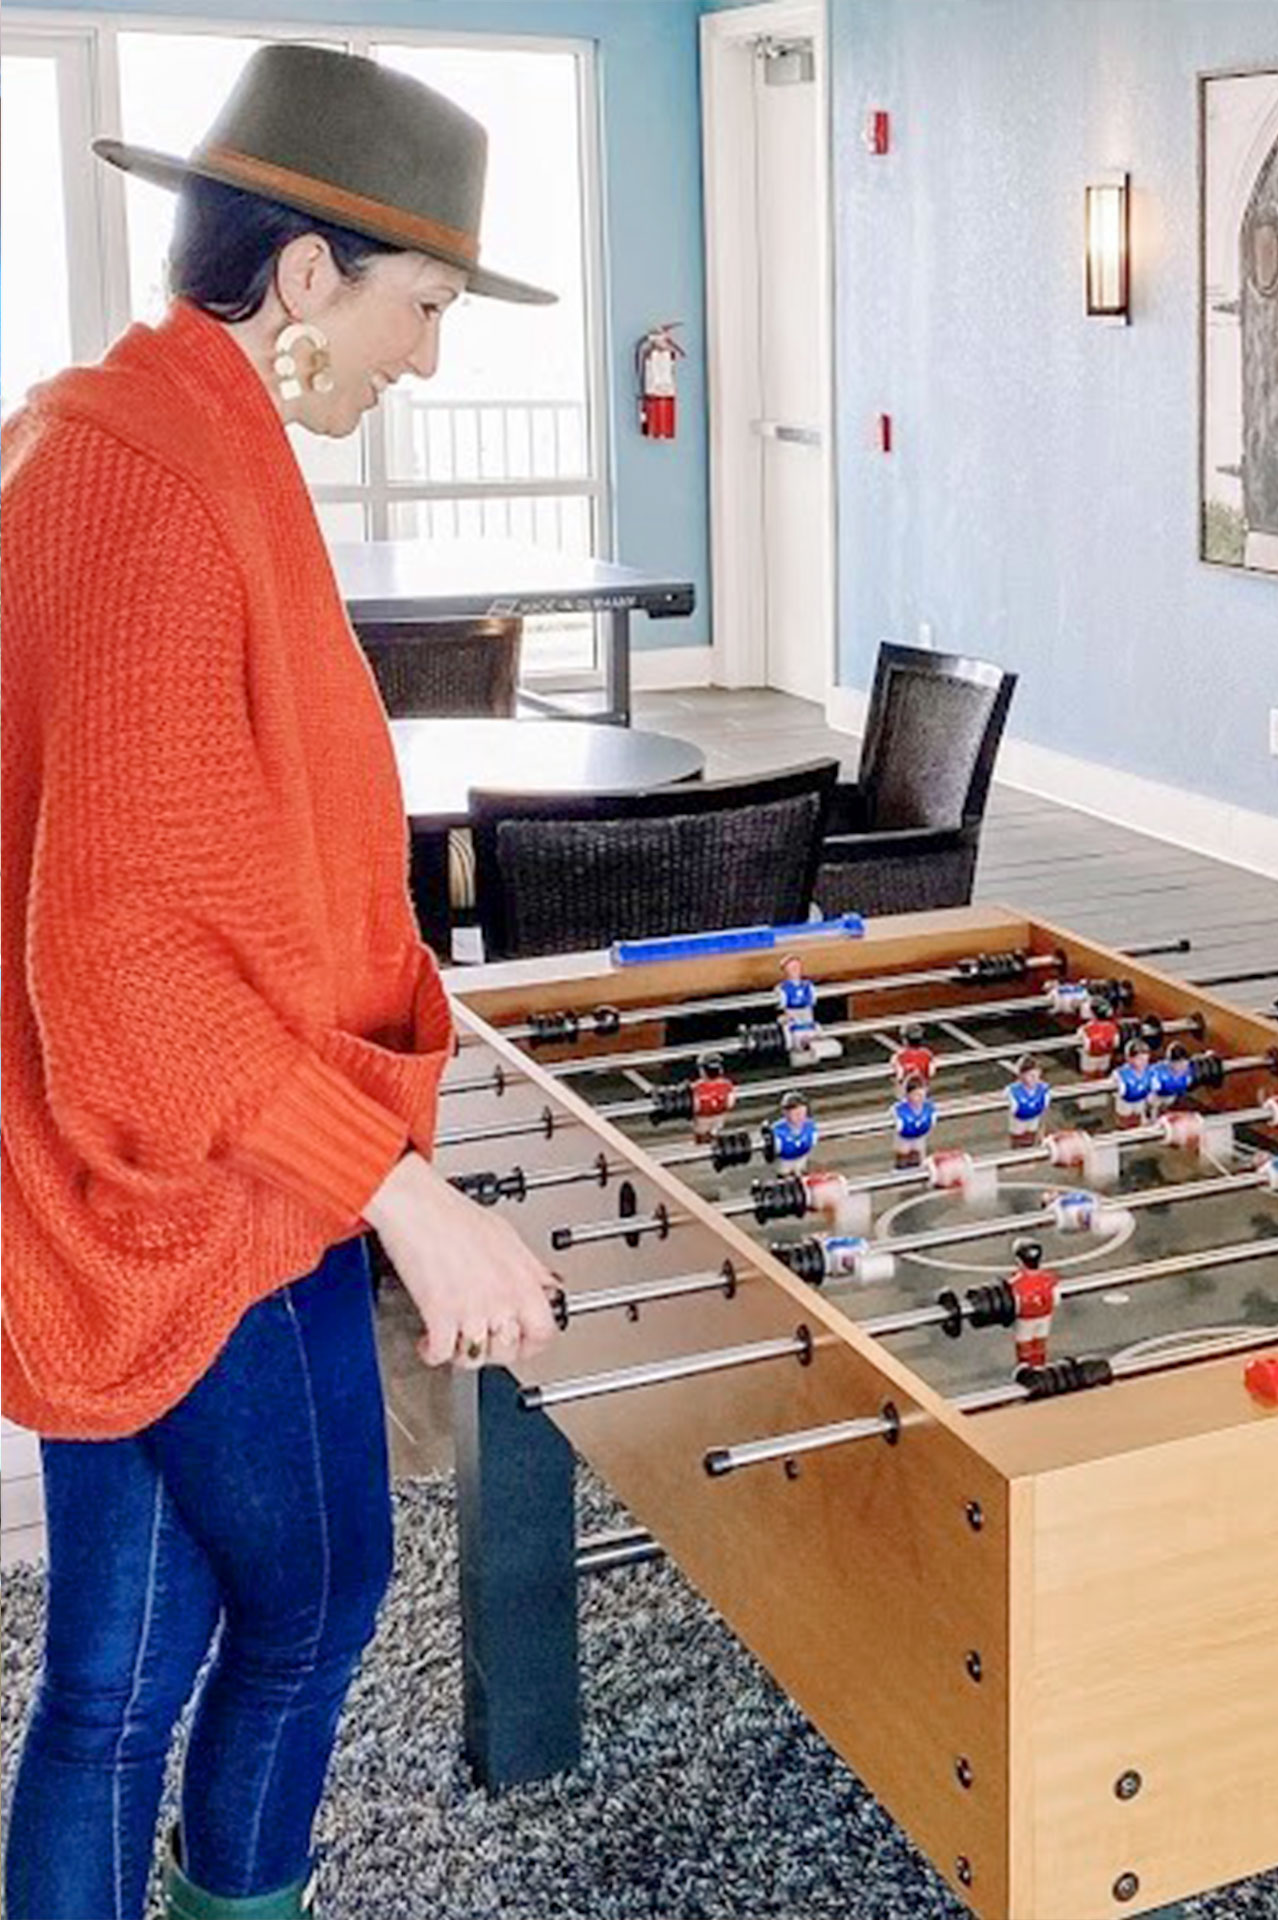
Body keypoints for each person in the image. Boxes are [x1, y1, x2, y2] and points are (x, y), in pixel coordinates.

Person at [2, 46, 562, 1920]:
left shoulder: (139, 438)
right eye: (422, 306)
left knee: (115, 1672)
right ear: (306, 272)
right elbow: (130, 961)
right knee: (313, 1600)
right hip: (196, 1187)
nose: (428, 357)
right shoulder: (153, 490)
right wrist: (416, 1204)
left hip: (157, 1174)